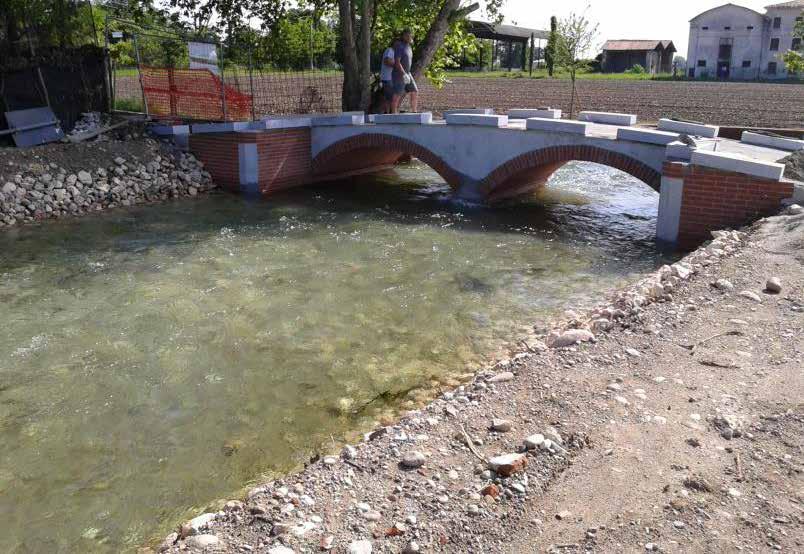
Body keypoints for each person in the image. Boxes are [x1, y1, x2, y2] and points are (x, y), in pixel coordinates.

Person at [391, 29, 418, 114]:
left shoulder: (409, 46)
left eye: (410, 36)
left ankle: (414, 112)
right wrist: (403, 74)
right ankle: (394, 114)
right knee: (398, 93)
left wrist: (407, 74)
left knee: (414, 91)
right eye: (407, 36)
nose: (410, 37)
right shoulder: (399, 45)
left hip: (408, 73)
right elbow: (397, 62)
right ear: (403, 36)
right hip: (399, 74)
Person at [379, 41, 397, 113]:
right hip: (387, 77)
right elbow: (386, 61)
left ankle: (389, 112)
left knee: (391, 96)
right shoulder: (390, 50)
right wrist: (398, 65)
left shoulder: (394, 52)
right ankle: (388, 113)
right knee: (389, 97)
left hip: (391, 78)